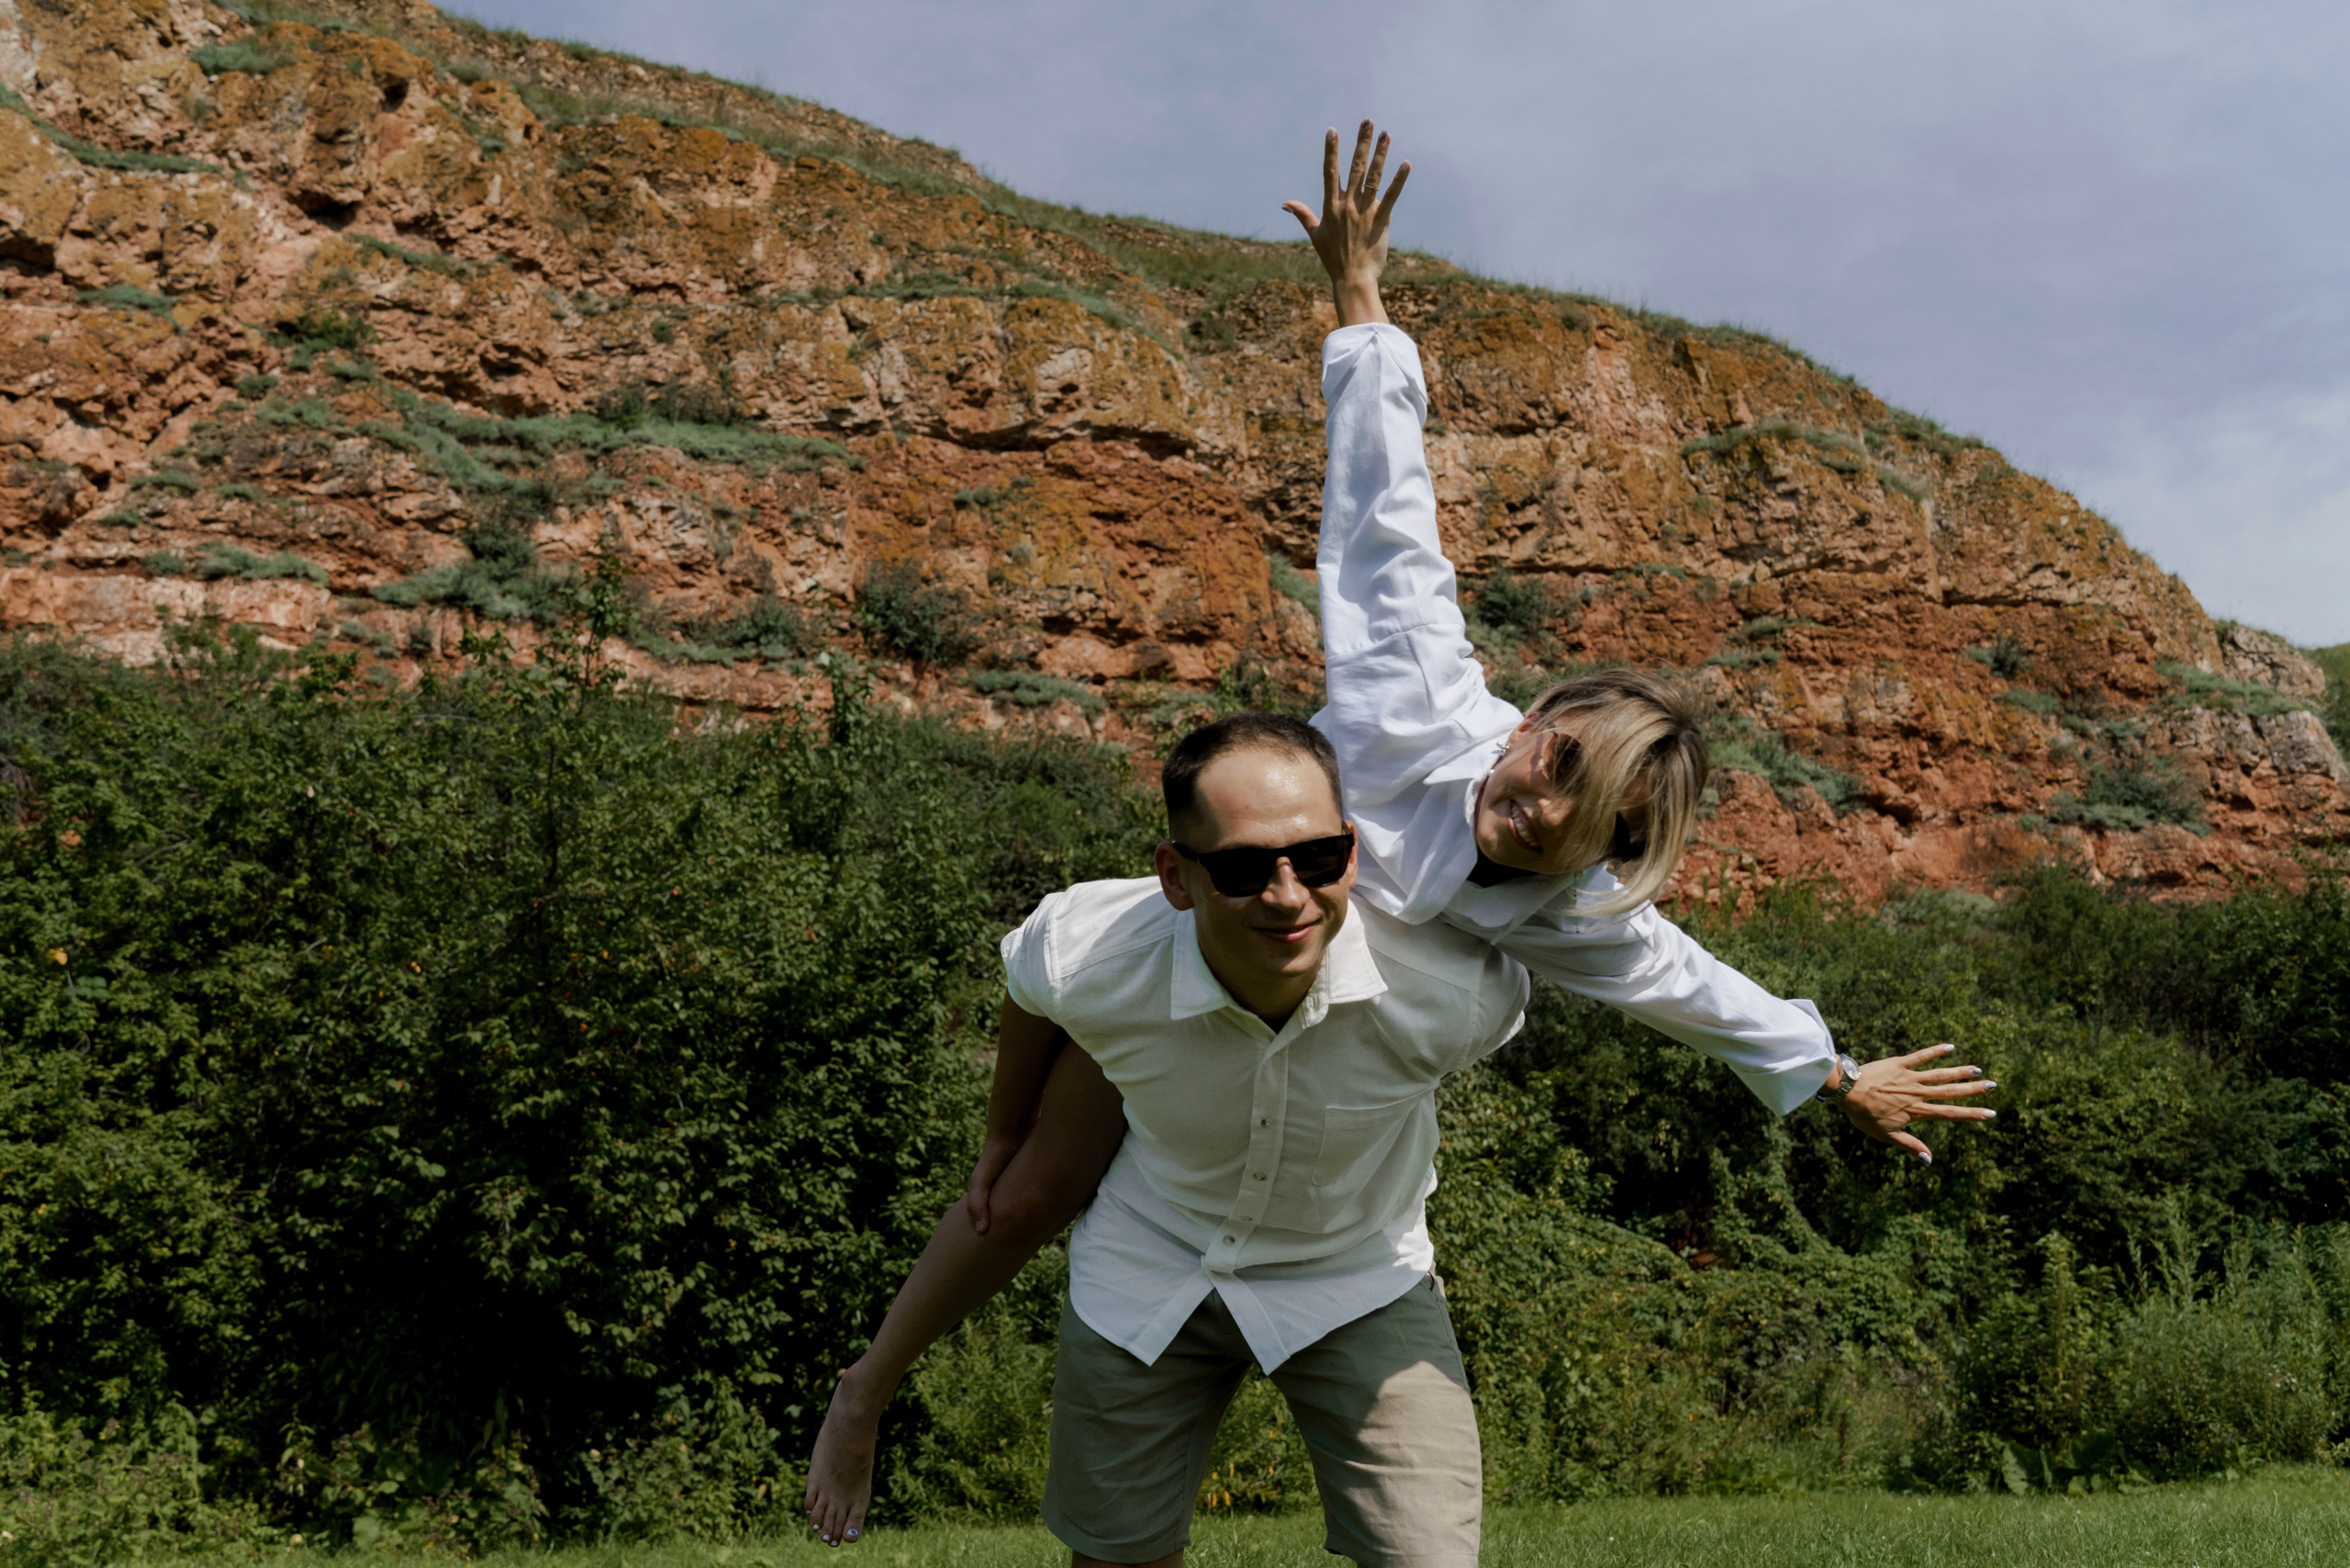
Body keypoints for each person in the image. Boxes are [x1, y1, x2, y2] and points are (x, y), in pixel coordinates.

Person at [803, 122, 1998, 1553]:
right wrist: (1362, 309)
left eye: (1581, 816)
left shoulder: (1577, 923)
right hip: (1205, 998)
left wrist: (1835, 1070)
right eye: (1551, 757)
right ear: (1530, 717)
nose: (1535, 803)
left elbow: (1697, 992)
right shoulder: (1416, 700)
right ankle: (867, 1388)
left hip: (1351, 1217)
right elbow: (1386, 524)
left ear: (1609, 856)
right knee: (1045, 1179)